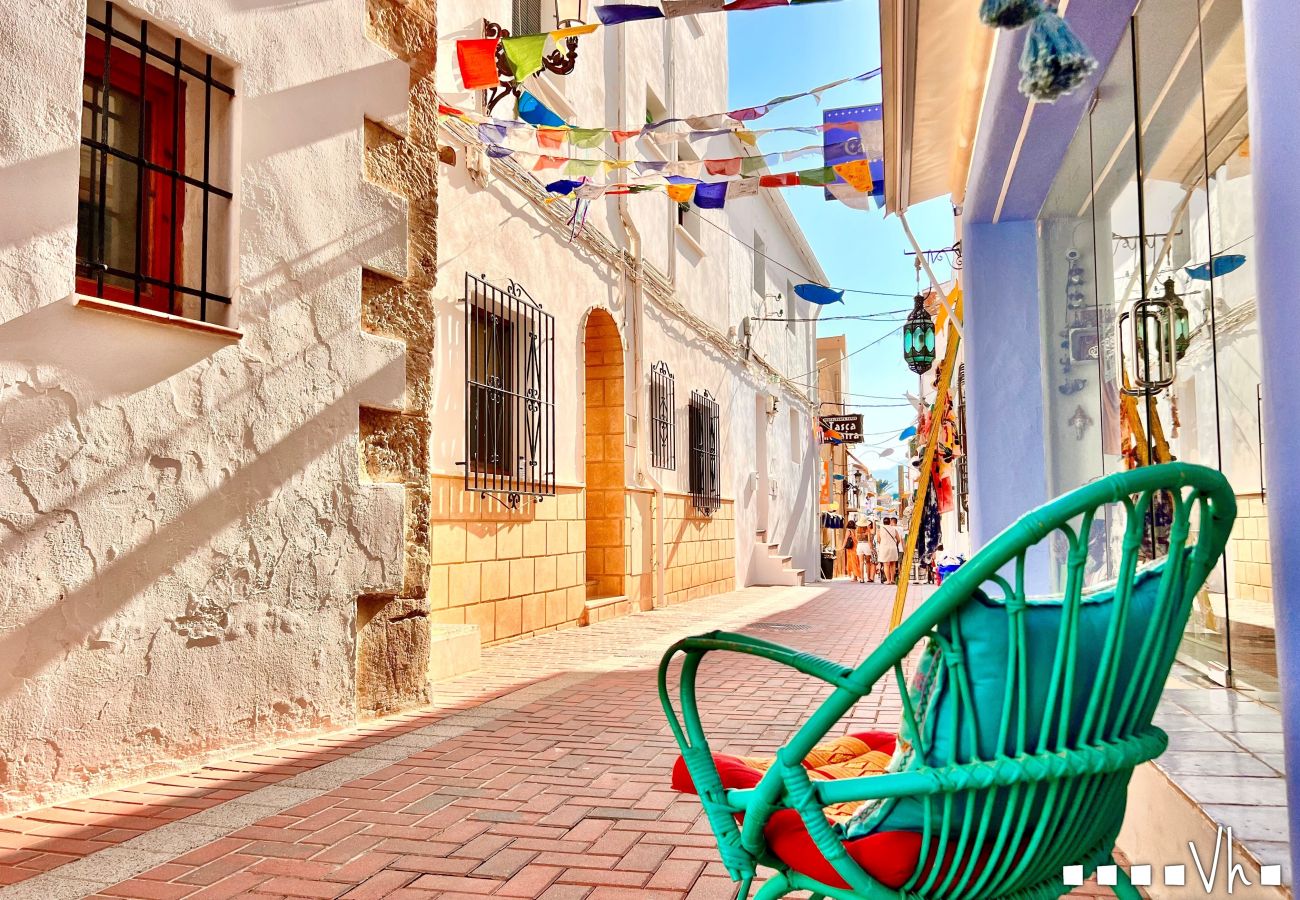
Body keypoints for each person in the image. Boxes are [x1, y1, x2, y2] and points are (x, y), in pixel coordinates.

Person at [877, 516, 902, 584]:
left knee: (886, 564)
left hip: (884, 548)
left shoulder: (880, 530)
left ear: (883, 522)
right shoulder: (894, 529)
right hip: (893, 548)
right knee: (893, 564)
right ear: (890, 522)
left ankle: (888, 580)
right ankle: (892, 579)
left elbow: (878, 540)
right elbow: (898, 539)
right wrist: (894, 544)